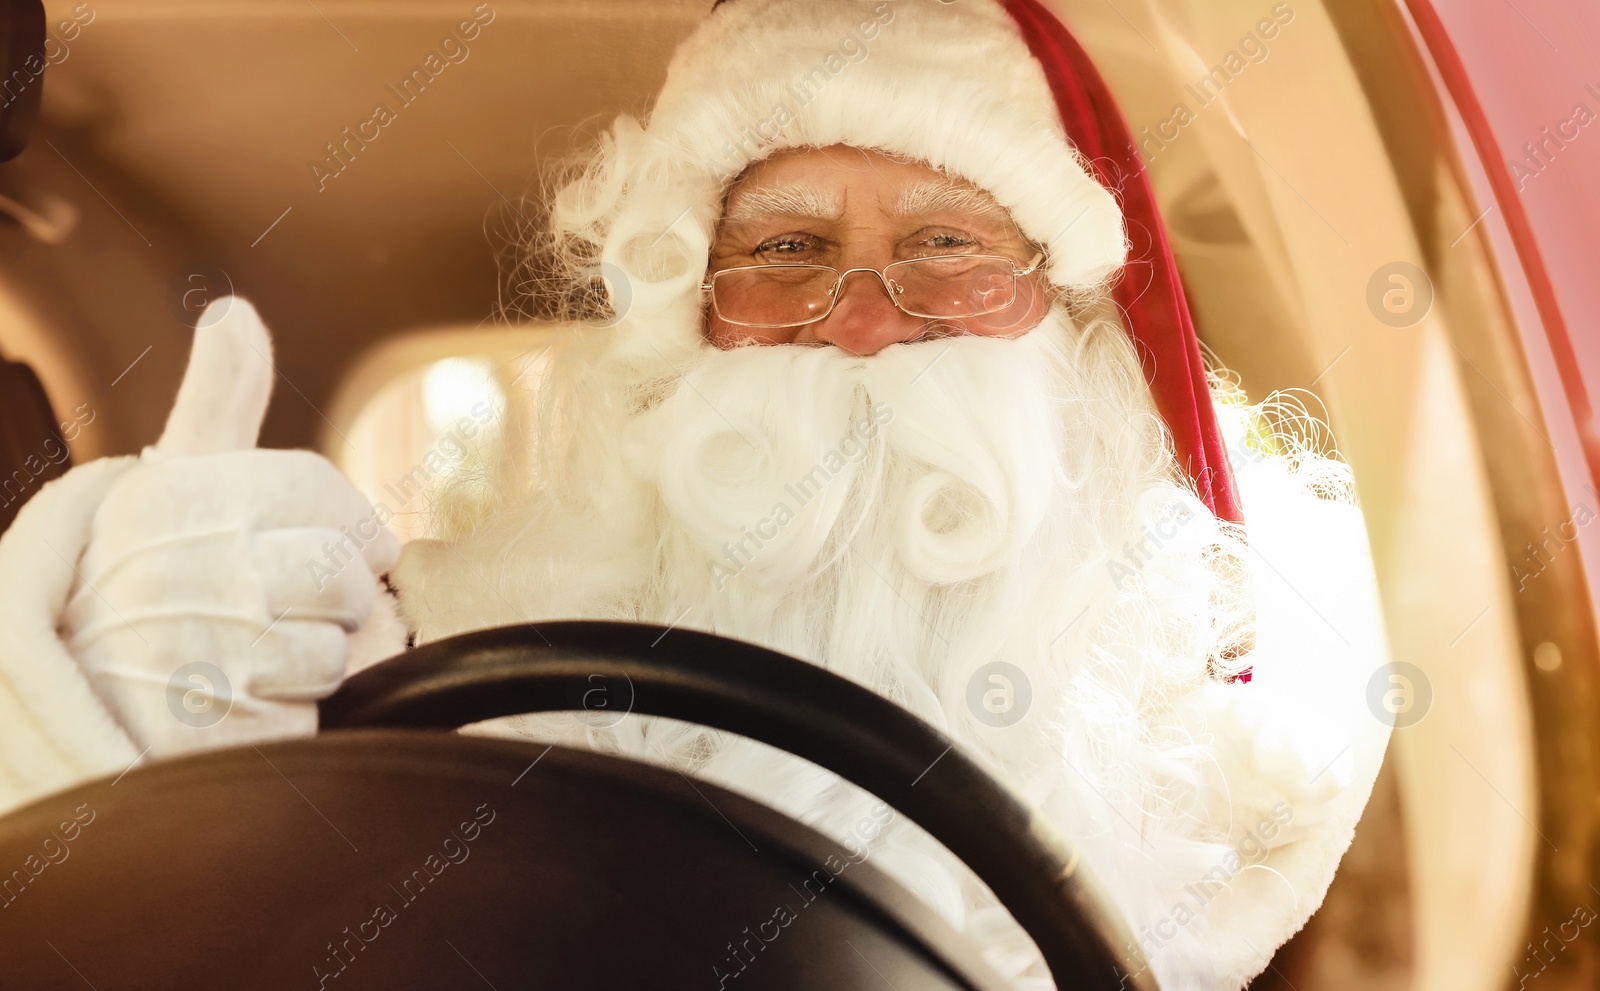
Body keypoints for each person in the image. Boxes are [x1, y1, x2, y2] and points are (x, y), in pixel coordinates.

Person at [0, 1, 1391, 987]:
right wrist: (136, 759)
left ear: (1053, 320)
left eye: (947, 248)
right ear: (688, 321)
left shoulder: (1246, 787)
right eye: (785, 249)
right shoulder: (423, 667)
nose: (861, 322)